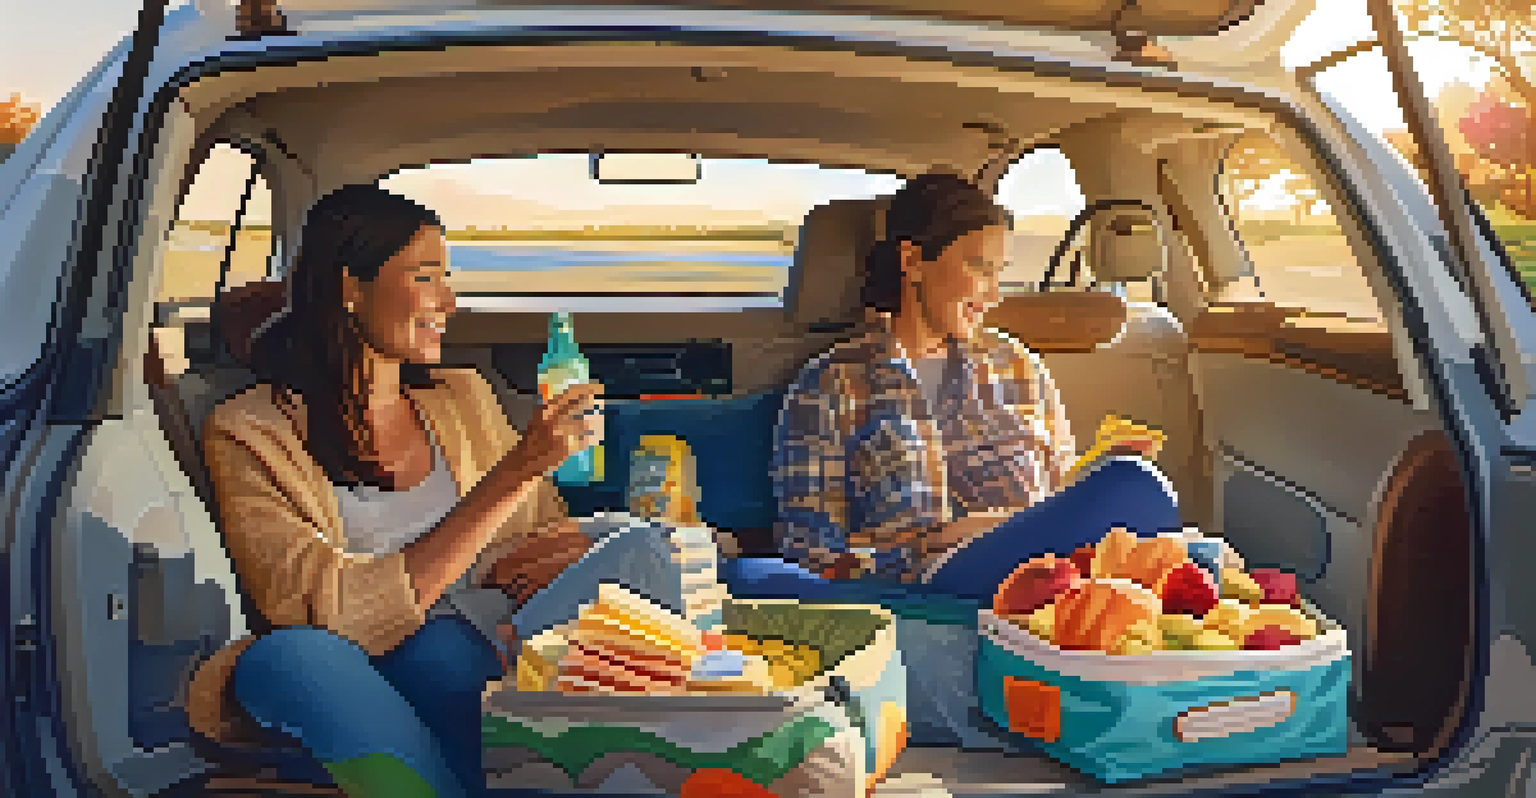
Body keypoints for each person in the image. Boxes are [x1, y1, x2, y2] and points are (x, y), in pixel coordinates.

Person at [183, 184, 686, 798]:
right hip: (387, 653)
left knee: (646, 548)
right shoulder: (252, 431)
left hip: (509, 629)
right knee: (286, 659)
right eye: (426, 278)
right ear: (350, 287)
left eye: (447, 278)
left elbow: (537, 529)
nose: (449, 301)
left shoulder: (462, 395)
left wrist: (573, 544)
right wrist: (515, 472)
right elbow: (314, 608)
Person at [751, 172, 1179, 602]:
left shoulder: (1018, 367)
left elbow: (1058, 500)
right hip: (931, 589)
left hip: (1051, 583)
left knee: (1148, 504)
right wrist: (932, 542)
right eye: (979, 267)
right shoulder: (831, 384)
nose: (993, 295)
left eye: (1000, 273)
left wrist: (1086, 475)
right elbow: (812, 555)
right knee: (1135, 485)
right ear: (912, 261)